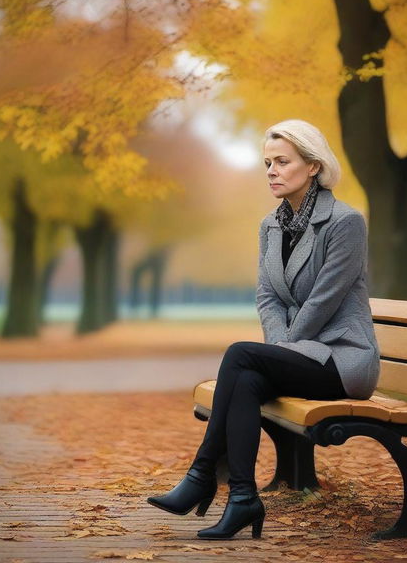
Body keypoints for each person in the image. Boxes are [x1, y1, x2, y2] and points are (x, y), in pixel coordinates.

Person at [147, 119, 380, 540]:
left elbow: (324, 301)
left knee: (240, 354)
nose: (271, 171)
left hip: (342, 360)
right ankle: (242, 498)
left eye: (282, 161)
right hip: (300, 354)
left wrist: (283, 350)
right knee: (249, 378)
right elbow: (267, 297)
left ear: (313, 166)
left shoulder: (345, 222)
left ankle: (202, 476)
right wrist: (281, 349)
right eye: (267, 163)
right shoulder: (270, 226)